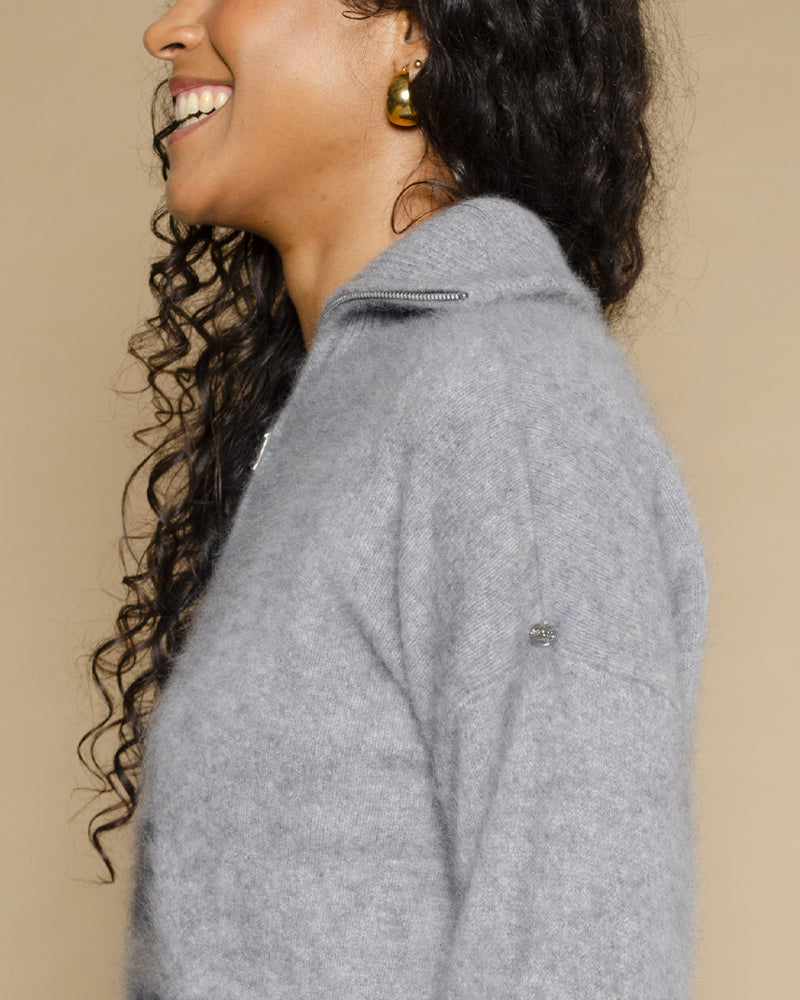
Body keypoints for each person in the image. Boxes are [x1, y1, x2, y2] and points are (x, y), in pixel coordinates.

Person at [79, 0, 707, 997]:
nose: (169, 28)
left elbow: (585, 943)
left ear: (409, 31)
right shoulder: (352, 412)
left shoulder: (505, 389)